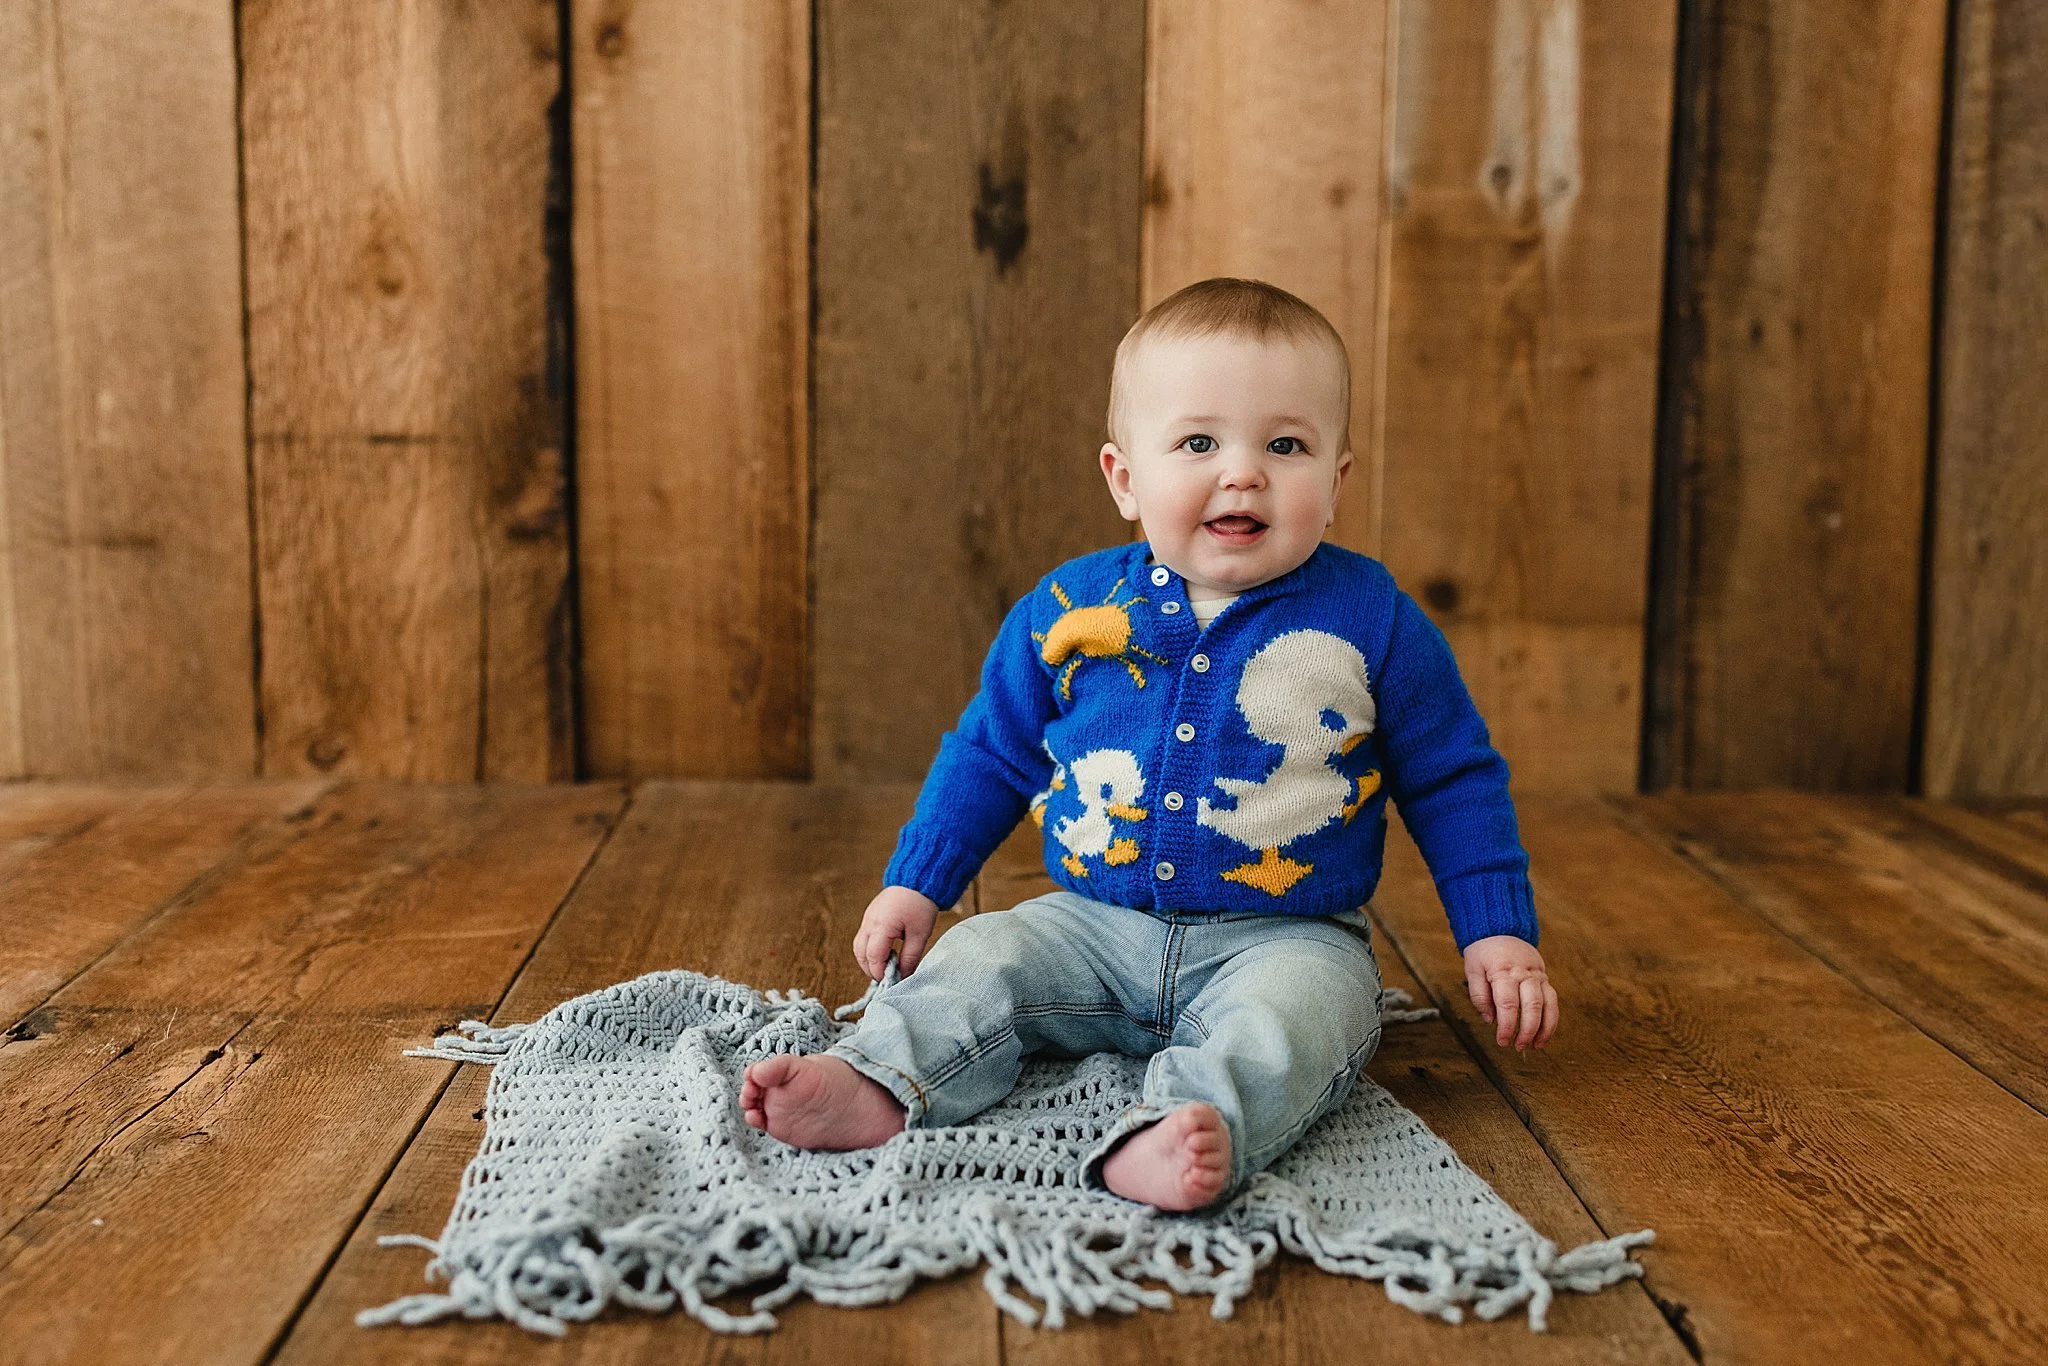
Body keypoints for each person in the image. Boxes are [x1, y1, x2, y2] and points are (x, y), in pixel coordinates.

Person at [741, 277, 1560, 1211]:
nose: (1243, 473)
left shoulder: (1374, 619)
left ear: (1336, 483)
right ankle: (881, 1079)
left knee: (1310, 1021)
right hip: (1088, 926)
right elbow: (991, 752)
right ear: (1125, 479)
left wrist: (1497, 930)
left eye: (1285, 446)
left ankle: (1183, 1130)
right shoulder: (1068, 609)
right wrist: (917, 881)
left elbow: (1453, 778)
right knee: (981, 959)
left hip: (1287, 936)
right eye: (1199, 443)